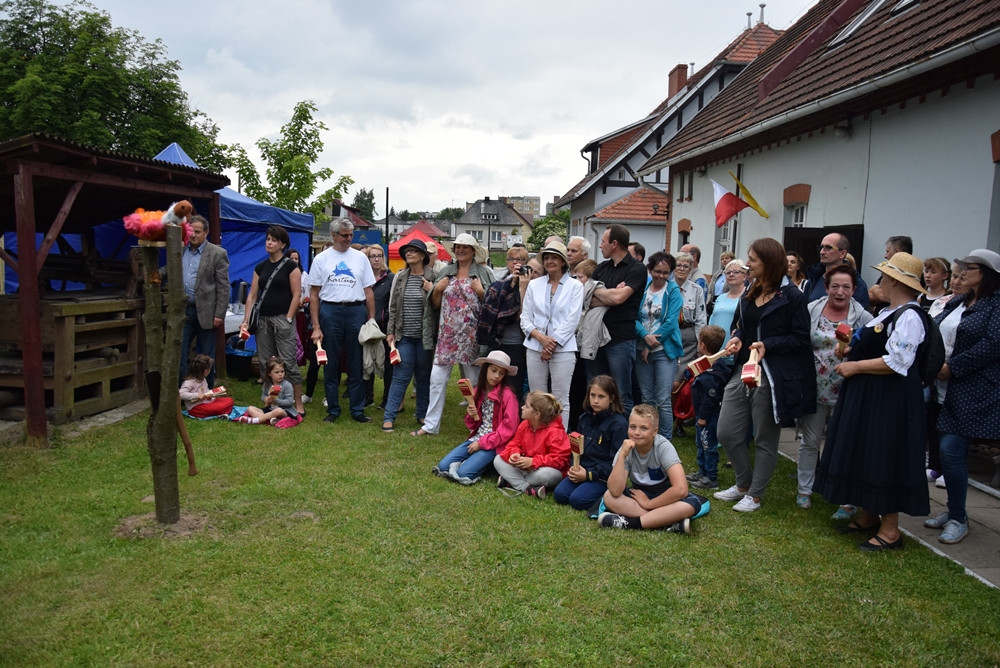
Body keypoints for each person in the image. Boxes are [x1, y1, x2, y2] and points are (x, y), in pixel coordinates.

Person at [814, 252, 931, 551]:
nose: (880, 282)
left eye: (884, 276)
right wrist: (849, 351)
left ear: (895, 281)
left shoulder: (909, 316)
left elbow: (898, 361)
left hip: (889, 400)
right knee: (866, 451)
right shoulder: (888, 312)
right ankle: (869, 515)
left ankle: (890, 531)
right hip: (871, 395)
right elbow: (875, 345)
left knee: (883, 455)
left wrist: (855, 366)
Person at [714, 237, 815, 513]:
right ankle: (743, 484)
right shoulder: (752, 289)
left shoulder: (793, 297)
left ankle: (755, 495)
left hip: (772, 375)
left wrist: (768, 345)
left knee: (764, 438)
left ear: (769, 262)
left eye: (753, 259)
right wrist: (737, 337)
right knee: (726, 432)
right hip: (743, 368)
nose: (748, 264)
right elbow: (744, 326)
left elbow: (800, 339)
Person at [930, 249, 1000, 545]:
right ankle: (954, 509)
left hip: (975, 389)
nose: (962, 272)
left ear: (987, 274)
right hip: (944, 386)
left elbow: (993, 344)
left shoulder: (995, 304)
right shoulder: (958, 300)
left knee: (951, 450)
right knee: (945, 451)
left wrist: (953, 367)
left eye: (969, 268)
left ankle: (958, 518)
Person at [797, 265, 873, 512]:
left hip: (847, 389)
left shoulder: (863, 317)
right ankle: (805, 490)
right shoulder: (812, 309)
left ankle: (846, 499)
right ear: (827, 287)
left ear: (854, 289)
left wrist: (854, 351)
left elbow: (871, 347)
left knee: (843, 443)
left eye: (846, 287)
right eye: (835, 286)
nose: (840, 292)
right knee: (810, 441)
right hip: (815, 387)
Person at [417, 233, 494, 436]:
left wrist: (481, 292)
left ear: (473, 251)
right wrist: (437, 291)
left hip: (472, 338)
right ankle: (431, 425)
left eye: (465, 247)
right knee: (436, 380)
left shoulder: (484, 273)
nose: (460, 250)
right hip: (447, 336)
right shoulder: (446, 272)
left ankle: (480, 425)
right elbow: (434, 306)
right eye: (457, 247)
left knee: (474, 383)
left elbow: (493, 304)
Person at [309, 217, 376, 424]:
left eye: (351, 235)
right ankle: (333, 409)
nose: (349, 238)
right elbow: (314, 294)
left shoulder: (360, 258)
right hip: (330, 311)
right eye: (345, 235)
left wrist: (372, 319)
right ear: (333, 235)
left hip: (356, 310)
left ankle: (357, 409)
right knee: (331, 362)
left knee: (356, 362)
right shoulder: (321, 259)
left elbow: (368, 290)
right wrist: (316, 326)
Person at [597, 404, 701, 533]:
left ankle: (630, 523)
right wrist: (622, 456)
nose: (636, 432)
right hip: (639, 496)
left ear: (655, 431)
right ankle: (667, 521)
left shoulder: (663, 447)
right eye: (632, 427)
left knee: (691, 505)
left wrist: (649, 504)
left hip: (665, 497)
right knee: (609, 497)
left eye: (644, 428)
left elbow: (681, 489)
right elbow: (615, 490)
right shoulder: (625, 448)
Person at [240, 225, 304, 415]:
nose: (269, 242)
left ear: (282, 244)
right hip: (263, 320)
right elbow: (252, 295)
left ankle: (297, 403)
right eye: (268, 239)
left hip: (282, 319)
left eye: (274, 240)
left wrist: (289, 317)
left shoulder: (291, 266)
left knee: (289, 363)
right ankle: (271, 401)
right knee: (266, 363)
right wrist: (246, 320)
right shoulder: (260, 267)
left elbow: (297, 294)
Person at [588, 224, 650, 413]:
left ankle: (624, 430)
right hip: (597, 339)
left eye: (603, 241)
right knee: (596, 392)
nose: (600, 245)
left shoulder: (637, 269)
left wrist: (603, 293)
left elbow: (619, 298)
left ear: (614, 244)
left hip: (621, 340)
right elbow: (587, 300)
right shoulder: (601, 268)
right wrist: (612, 293)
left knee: (621, 393)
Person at [521, 241, 584, 427]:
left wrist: (551, 344)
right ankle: (537, 435)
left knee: (561, 398)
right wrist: (541, 339)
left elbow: (572, 320)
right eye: (546, 258)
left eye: (554, 257)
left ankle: (559, 438)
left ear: (563, 261)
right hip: (535, 347)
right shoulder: (534, 285)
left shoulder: (575, 286)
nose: (549, 261)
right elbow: (525, 318)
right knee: (536, 397)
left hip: (563, 349)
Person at [433, 351, 520, 485]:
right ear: (485, 369)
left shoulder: (508, 395)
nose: (497, 376)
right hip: (476, 438)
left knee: (463, 474)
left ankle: (483, 465)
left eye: (502, 373)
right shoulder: (477, 391)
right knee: (442, 466)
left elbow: (509, 429)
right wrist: (471, 414)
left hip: (495, 444)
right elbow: (473, 425)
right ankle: (471, 463)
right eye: (494, 370)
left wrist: (482, 444)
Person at [382, 239, 436, 433]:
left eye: (413, 251)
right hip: (403, 336)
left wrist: (432, 290)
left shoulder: (433, 277)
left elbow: (439, 305)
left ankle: (422, 414)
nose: (409, 254)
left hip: (425, 337)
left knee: (423, 376)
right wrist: (390, 331)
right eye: (407, 251)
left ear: (422, 256)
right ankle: (389, 416)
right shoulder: (400, 276)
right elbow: (393, 306)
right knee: (400, 376)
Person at [553, 375, 627, 510]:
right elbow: (576, 448)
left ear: (612, 398)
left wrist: (589, 475)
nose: (595, 401)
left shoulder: (619, 425)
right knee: (560, 494)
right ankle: (584, 485)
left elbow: (615, 463)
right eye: (592, 395)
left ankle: (604, 495)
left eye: (601, 396)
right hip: (582, 469)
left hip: (602, 477)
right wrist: (575, 467)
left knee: (577, 500)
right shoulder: (584, 418)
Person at [925, 262, 968, 487]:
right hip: (937, 370)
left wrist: (951, 365)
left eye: (962, 278)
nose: (956, 282)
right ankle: (934, 465)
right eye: (955, 277)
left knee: (953, 430)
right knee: (934, 417)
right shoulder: (944, 303)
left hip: (957, 372)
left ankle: (948, 469)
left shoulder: (981, 308)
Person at [634, 251, 682, 439]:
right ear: (650, 269)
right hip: (641, 348)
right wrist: (644, 335)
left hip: (664, 351)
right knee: (647, 398)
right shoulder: (643, 288)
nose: (661, 276)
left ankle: (665, 441)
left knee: (663, 400)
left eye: (665, 273)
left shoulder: (673, 291)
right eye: (657, 271)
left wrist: (650, 345)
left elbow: (670, 323)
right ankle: (647, 437)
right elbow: (634, 316)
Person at [179, 214, 229, 386]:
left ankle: (206, 392)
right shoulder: (181, 250)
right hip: (184, 310)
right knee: (180, 352)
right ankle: (183, 391)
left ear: (206, 233)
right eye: (191, 231)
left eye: (197, 232)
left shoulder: (217, 253)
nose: (193, 235)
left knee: (205, 356)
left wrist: (219, 314)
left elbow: (223, 287)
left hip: (208, 312)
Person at [476, 246, 531, 400]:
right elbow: (493, 311)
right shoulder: (499, 284)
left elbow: (522, 316)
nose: (515, 263)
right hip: (497, 342)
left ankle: (512, 414)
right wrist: (511, 284)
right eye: (511, 259)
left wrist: (522, 288)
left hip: (516, 343)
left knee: (514, 387)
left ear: (526, 263)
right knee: (492, 384)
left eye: (520, 259)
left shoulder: (531, 284)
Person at [493, 391, 570, 498]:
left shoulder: (555, 432)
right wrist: (514, 454)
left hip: (544, 470)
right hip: (526, 468)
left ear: (537, 414)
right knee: (498, 460)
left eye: (527, 406)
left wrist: (533, 462)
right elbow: (514, 443)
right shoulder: (524, 424)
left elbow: (559, 460)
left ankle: (512, 481)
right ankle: (527, 488)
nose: (522, 407)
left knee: (545, 475)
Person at [686, 325, 731, 491]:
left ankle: (711, 478)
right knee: (701, 443)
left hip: (708, 416)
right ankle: (702, 472)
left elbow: (710, 397)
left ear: (702, 345)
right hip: (702, 415)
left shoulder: (712, 372)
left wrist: (703, 417)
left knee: (708, 445)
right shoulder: (705, 364)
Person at [364, 245, 394, 409]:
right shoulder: (363, 277)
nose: (376, 259)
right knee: (366, 362)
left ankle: (387, 399)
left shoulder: (390, 278)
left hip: (384, 327)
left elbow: (393, 302)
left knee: (388, 365)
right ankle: (367, 396)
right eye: (373, 256)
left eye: (379, 256)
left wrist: (386, 317)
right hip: (366, 327)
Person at [802, 233, 869, 308]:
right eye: (821, 247)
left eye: (828, 248)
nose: (822, 252)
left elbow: (860, 312)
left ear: (842, 254)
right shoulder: (814, 278)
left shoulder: (856, 283)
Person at [672, 251, 707, 368]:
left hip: (688, 336)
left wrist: (700, 343)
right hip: (669, 333)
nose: (681, 269)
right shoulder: (666, 287)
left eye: (686, 266)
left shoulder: (697, 290)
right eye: (678, 265)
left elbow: (701, 318)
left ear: (690, 269)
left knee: (685, 371)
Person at [239, 357, 297, 425]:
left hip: (285, 411)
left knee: (278, 411)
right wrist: (266, 399)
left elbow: (290, 401)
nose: (280, 374)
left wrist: (276, 401)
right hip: (270, 409)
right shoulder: (267, 384)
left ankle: (255, 420)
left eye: (282, 371)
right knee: (250, 408)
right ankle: (270, 419)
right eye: (277, 372)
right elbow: (263, 396)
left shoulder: (287, 385)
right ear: (269, 373)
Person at [179, 354, 234, 418]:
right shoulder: (189, 382)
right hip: (196, 407)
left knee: (229, 400)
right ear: (205, 371)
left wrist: (210, 395)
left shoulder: (203, 379)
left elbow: (205, 391)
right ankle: (222, 413)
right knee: (220, 407)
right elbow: (181, 394)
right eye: (209, 369)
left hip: (206, 402)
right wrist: (197, 395)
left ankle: (221, 412)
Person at [868, 235, 913, 309]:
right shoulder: (888, 271)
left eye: (887, 252)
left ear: (897, 252)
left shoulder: (912, 275)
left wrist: (877, 292)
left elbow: (884, 296)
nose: (885, 256)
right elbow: (869, 296)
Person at [708, 259, 746, 334]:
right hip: (717, 340)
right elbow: (711, 322)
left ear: (744, 276)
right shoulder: (720, 298)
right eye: (728, 272)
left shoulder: (747, 297)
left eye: (736, 272)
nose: (731, 274)